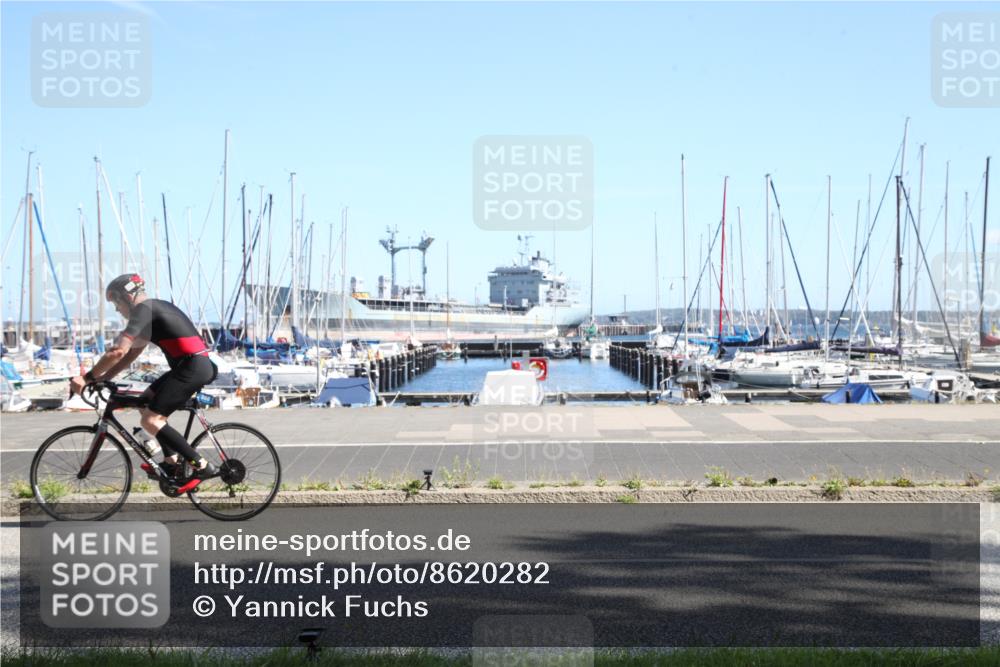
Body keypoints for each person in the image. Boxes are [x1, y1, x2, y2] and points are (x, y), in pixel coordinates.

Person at [69, 273, 219, 493]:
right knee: (144, 402)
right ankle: (171, 461)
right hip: (190, 366)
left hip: (192, 367)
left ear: (127, 297)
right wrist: (104, 378)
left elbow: (118, 350)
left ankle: (202, 466)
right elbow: (130, 354)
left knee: (151, 419)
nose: (117, 310)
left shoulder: (143, 311)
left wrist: (87, 377)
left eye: (116, 303)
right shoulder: (153, 309)